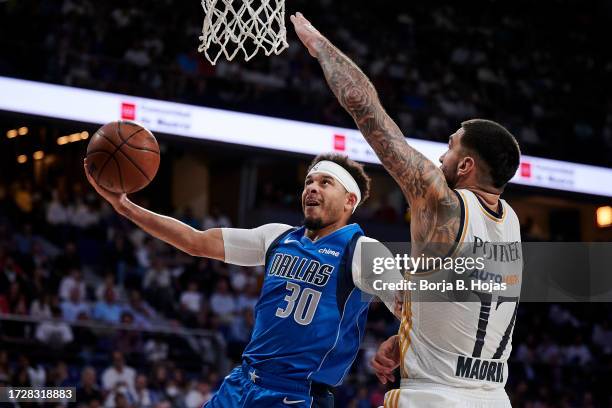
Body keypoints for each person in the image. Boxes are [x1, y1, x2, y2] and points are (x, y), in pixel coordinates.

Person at [292, 13, 522, 408]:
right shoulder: (511, 221)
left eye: (450, 147)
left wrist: (318, 47)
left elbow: (370, 115)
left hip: (434, 397)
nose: (440, 156)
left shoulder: (443, 204)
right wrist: (406, 339)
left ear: (466, 167)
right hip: (495, 397)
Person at [85, 152, 401, 407]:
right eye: (309, 181)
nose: (312, 188)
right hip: (242, 383)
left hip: (297, 395)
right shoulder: (277, 237)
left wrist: (400, 339)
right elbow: (196, 242)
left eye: (325, 182)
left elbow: (412, 306)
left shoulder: (362, 251)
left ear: (349, 202)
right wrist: (124, 207)